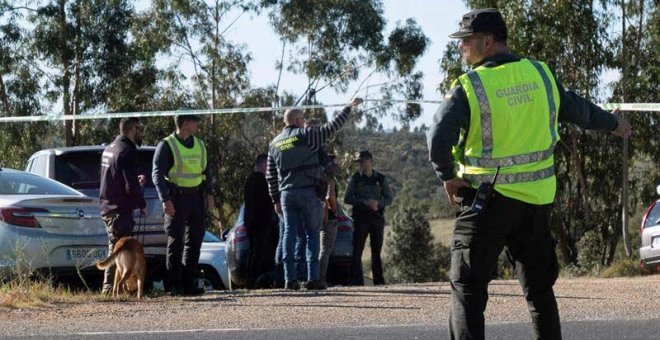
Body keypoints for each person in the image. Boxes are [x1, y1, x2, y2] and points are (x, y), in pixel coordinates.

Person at [427, 8, 632, 340]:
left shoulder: (470, 86)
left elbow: (438, 138)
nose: (461, 48)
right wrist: (615, 124)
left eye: (465, 41)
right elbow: (579, 110)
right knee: (539, 292)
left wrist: (448, 176)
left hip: (486, 202)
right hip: (535, 204)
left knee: (468, 289)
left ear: (487, 41)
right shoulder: (541, 75)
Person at [267, 97, 363, 291]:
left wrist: (275, 198)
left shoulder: (274, 144)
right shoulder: (306, 135)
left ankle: (290, 279)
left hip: (287, 195)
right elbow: (331, 127)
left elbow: (270, 176)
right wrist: (348, 108)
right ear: (297, 120)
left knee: (289, 235)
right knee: (312, 235)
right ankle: (313, 279)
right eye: (302, 119)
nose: (304, 122)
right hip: (309, 193)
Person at [152, 114, 215, 296]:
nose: (198, 126)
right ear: (186, 123)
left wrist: (209, 193)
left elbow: (206, 171)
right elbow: (157, 175)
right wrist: (165, 200)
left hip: (196, 199)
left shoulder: (200, 145)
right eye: (195, 122)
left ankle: (189, 283)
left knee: (195, 241)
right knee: (176, 242)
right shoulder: (166, 145)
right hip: (176, 199)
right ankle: (174, 284)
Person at [99, 117, 147, 295]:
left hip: (107, 206)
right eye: (139, 129)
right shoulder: (127, 151)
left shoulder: (109, 149)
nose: (141, 133)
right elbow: (130, 186)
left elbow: (115, 177)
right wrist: (142, 204)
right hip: (120, 209)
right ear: (132, 129)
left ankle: (112, 289)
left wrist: (135, 180)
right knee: (118, 250)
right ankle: (109, 289)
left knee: (115, 247)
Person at [344, 150, 393, 286]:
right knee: (357, 249)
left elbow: (389, 198)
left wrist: (379, 203)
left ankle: (379, 280)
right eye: (359, 163)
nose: (361, 165)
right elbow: (347, 198)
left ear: (369, 161)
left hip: (377, 218)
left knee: (376, 250)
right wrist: (364, 202)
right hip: (360, 218)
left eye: (363, 162)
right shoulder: (355, 179)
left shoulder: (380, 179)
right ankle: (356, 281)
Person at [244, 154, 277, 289]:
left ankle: (252, 280)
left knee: (254, 252)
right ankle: (254, 281)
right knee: (259, 253)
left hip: (252, 221)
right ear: (262, 164)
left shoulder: (250, 180)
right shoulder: (260, 180)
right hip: (260, 222)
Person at [319, 154, 341, 284]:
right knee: (325, 250)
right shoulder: (330, 180)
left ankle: (314, 276)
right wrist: (335, 210)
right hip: (329, 218)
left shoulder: (317, 178)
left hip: (317, 216)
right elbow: (329, 197)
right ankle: (321, 279)